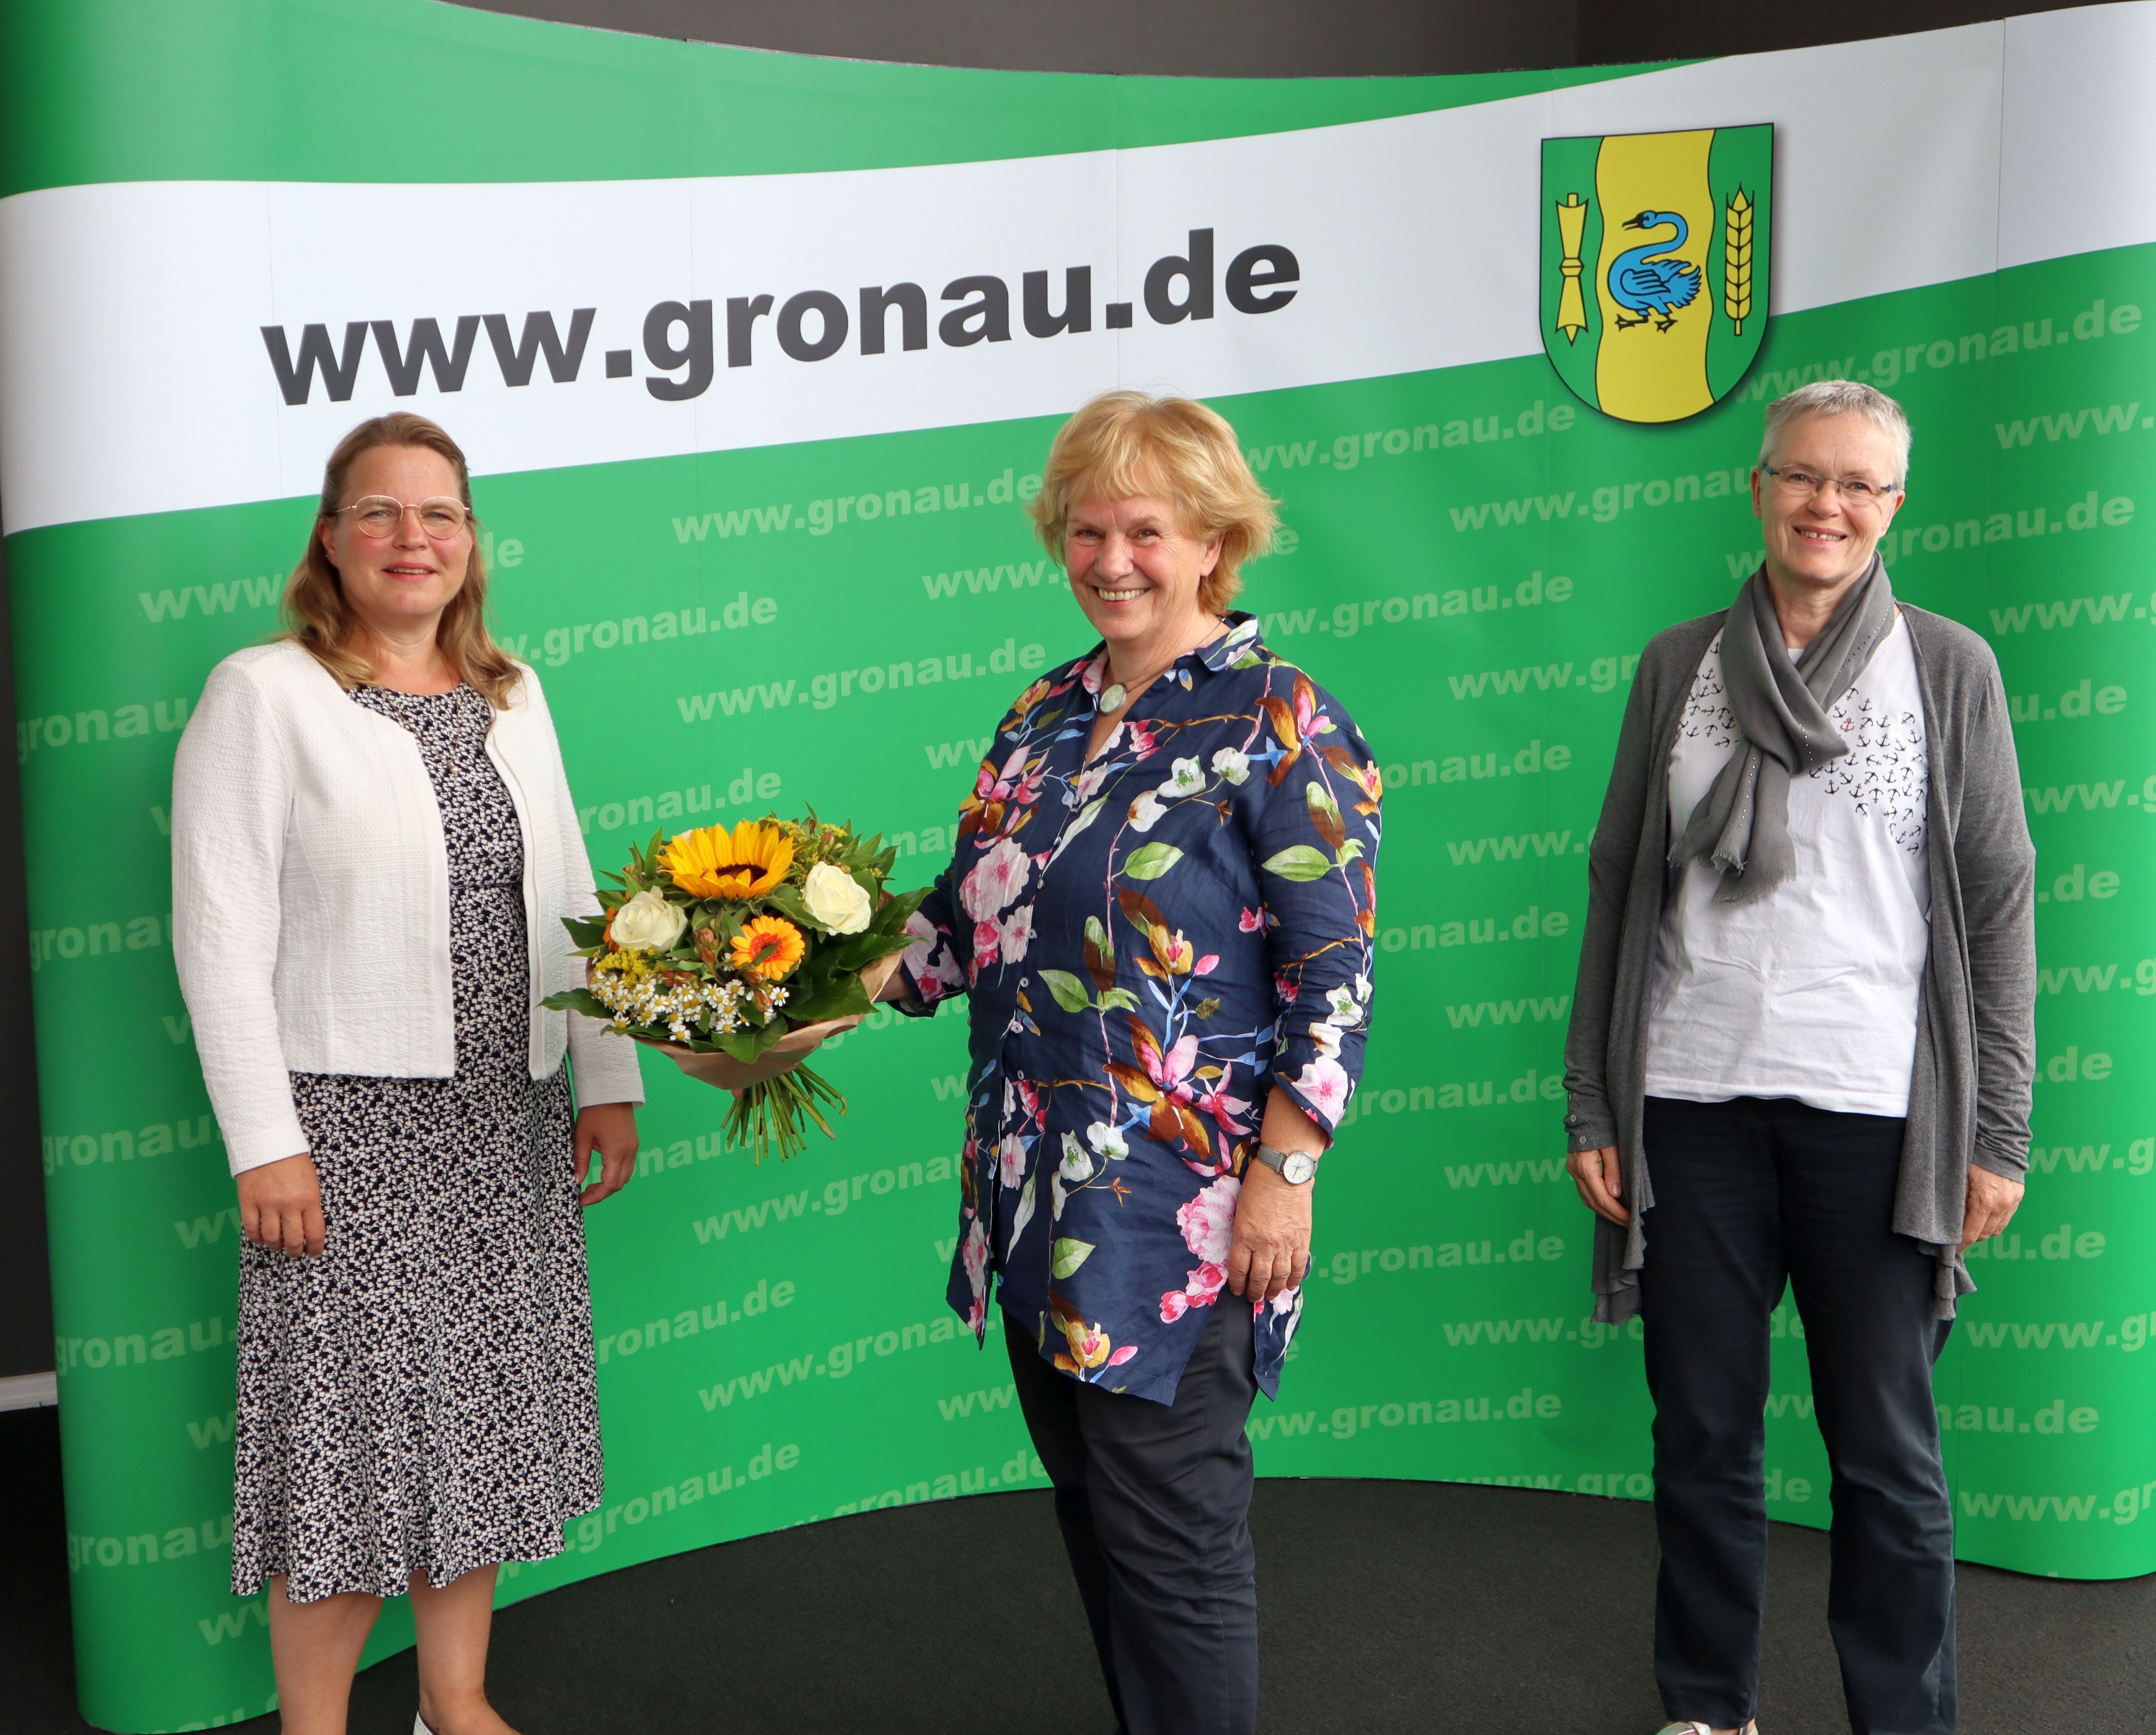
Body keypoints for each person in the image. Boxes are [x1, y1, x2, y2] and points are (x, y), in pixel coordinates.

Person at [888, 390, 1380, 1734]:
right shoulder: (1043, 714)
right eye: (1087, 531)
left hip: (1180, 1210)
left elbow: (1331, 976)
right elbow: (957, 922)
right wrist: (791, 986)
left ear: (1213, 542)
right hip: (1031, 1190)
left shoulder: (1281, 718)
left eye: (1146, 532)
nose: (1111, 560)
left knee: (1172, 1541)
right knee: (1097, 1517)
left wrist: (1286, 1171)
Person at [1562, 379, 2036, 1735]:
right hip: (1689, 1103)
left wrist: (1994, 1126)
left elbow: (1996, 899)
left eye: (1858, 486)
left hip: (1877, 1112)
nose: (1826, 505)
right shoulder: (1676, 665)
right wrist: (1593, 1096)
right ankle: (1708, 1706)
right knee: (1701, 1436)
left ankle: (1903, 1719)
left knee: (1885, 1453)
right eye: (1802, 476)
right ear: (1757, 487)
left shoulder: (1947, 666)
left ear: (1893, 508)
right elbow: (1617, 883)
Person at [173, 412, 645, 1735]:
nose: (411, 537)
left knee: (482, 1418)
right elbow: (217, 933)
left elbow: (569, 891)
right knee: (347, 1446)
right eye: (378, 511)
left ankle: (455, 1700)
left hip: (507, 1115)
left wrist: (605, 1070)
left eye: (439, 512)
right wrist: (264, 1137)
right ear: (330, 537)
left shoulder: (514, 691)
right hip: (347, 1134)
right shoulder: (264, 694)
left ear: (470, 541)